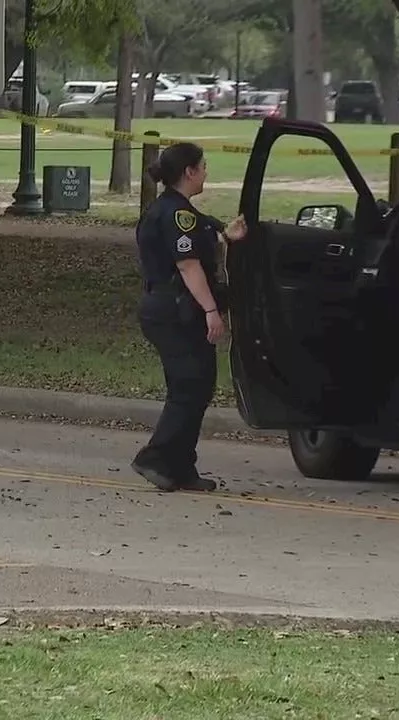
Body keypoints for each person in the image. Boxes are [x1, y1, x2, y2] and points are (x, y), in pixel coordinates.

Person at [131, 142, 248, 493]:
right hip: (174, 310)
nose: (206, 172)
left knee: (195, 387)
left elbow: (206, 231)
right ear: (189, 172)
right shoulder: (175, 214)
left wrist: (228, 234)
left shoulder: (178, 210)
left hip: (174, 308)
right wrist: (212, 309)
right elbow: (188, 264)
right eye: (203, 165)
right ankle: (155, 457)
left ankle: (180, 467)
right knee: (189, 386)